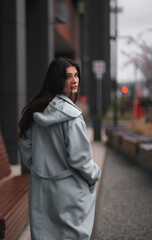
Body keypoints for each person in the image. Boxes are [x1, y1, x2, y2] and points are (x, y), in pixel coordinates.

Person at [18, 58, 101, 240]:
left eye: (76, 75)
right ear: (57, 80)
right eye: (68, 77)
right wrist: (94, 176)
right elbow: (81, 160)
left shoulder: (36, 111)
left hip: (40, 188)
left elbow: (26, 148)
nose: (75, 80)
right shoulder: (72, 117)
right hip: (69, 190)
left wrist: (41, 168)